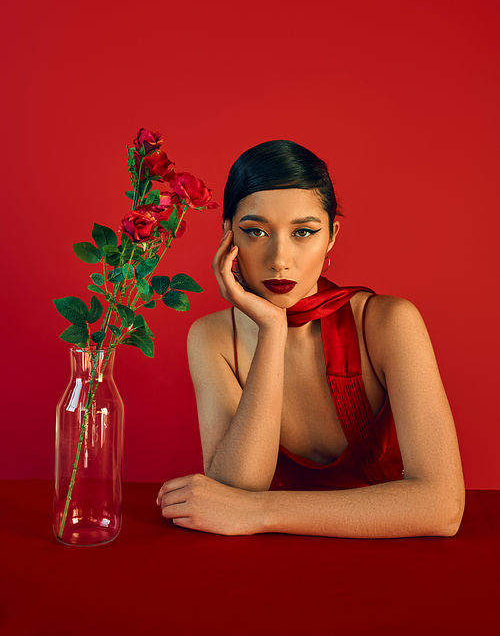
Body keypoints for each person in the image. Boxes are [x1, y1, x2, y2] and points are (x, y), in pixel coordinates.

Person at [157, 140, 465, 537]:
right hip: (270, 570)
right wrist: (271, 329)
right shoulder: (213, 337)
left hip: (390, 560)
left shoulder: (387, 323)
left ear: (332, 235)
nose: (280, 258)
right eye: (255, 231)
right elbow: (233, 491)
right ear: (228, 235)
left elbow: (442, 507)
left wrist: (259, 512)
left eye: (303, 231)